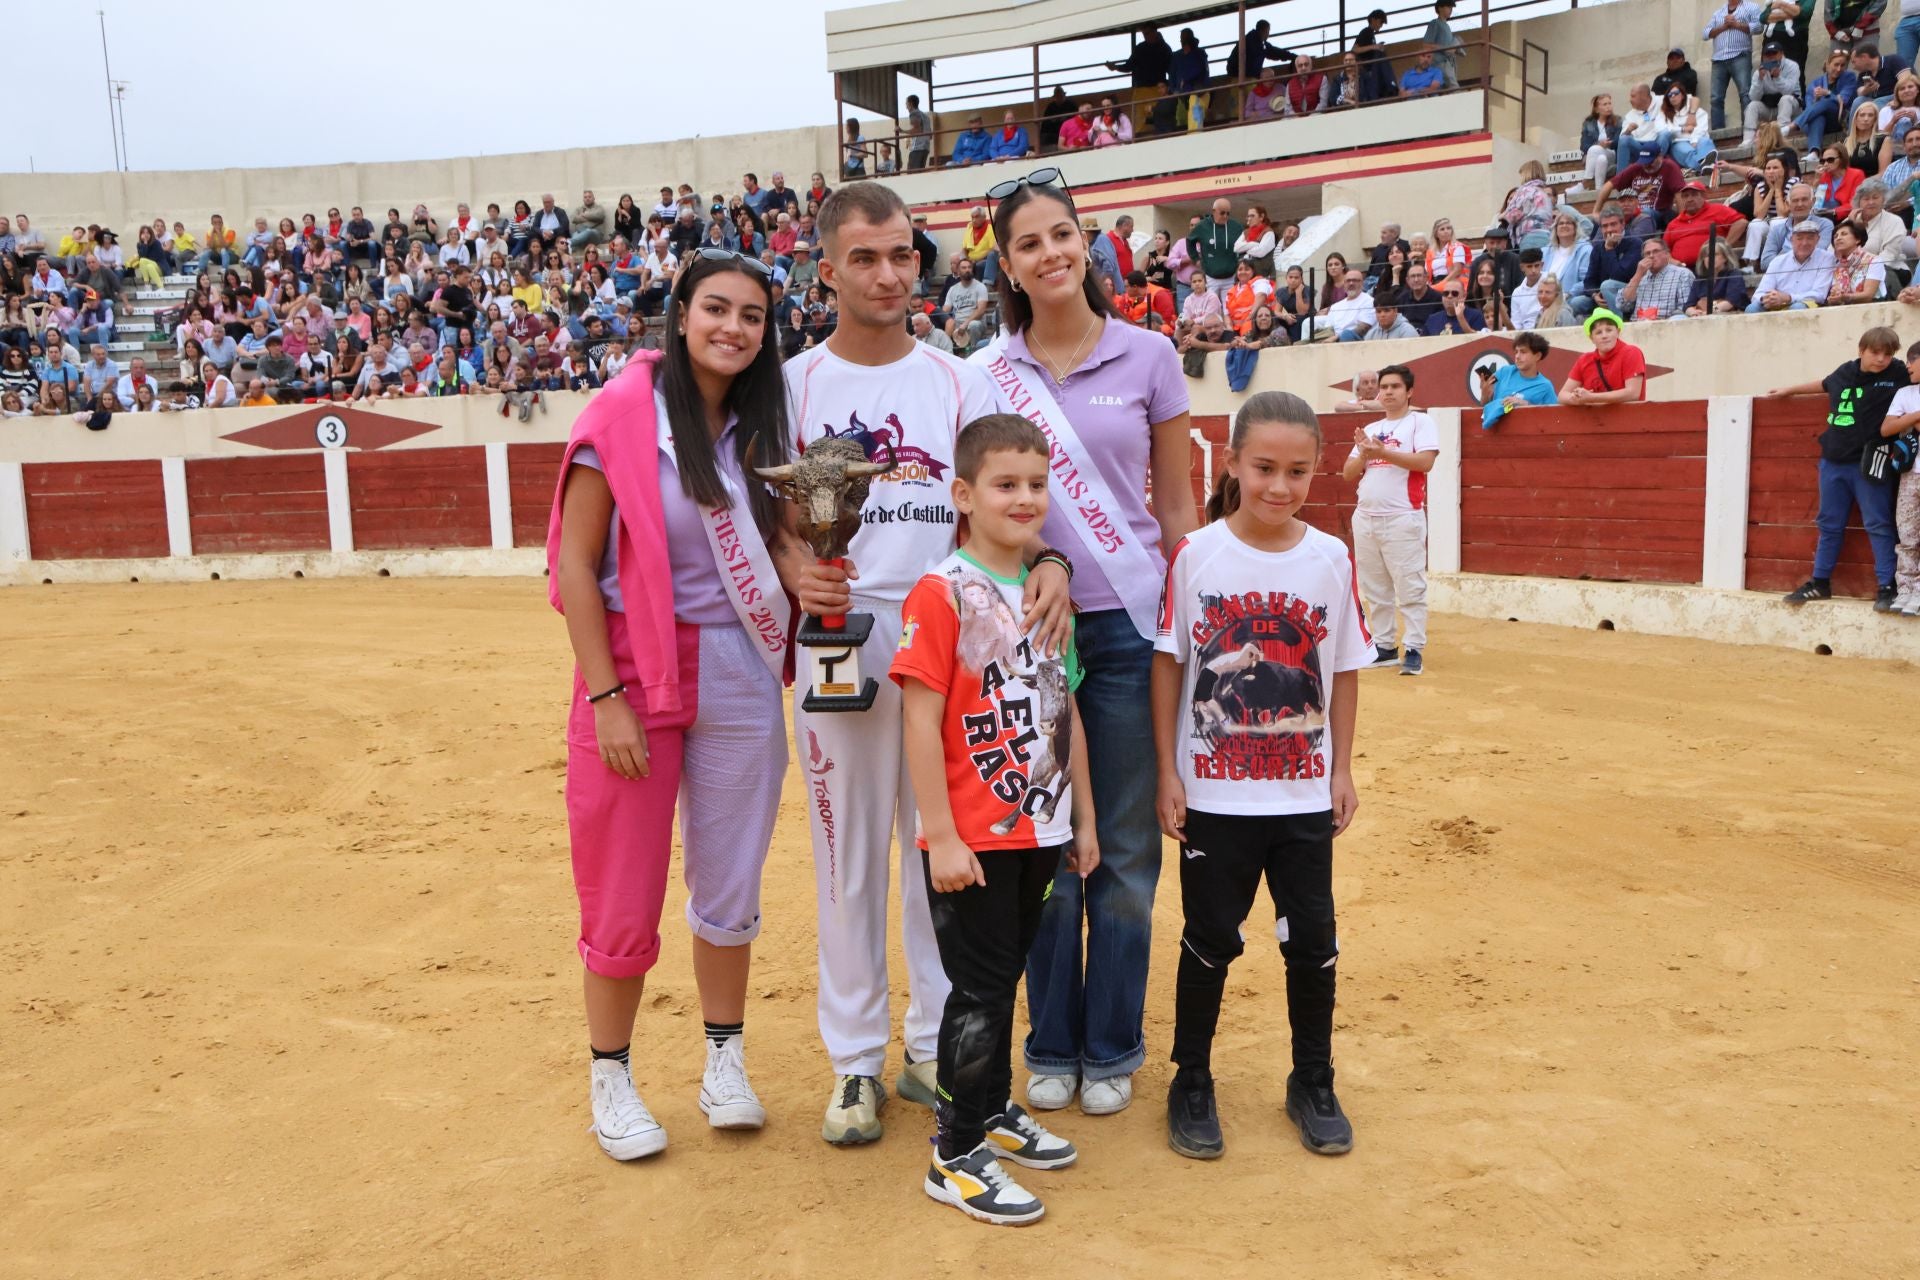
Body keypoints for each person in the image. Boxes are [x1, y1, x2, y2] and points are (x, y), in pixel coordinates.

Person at [784, 182, 1072, 1145]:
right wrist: (796, 567)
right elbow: (762, 514)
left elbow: (1006, 490)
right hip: (840, 639)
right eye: (863, 258)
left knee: (944, 859)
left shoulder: (960, 379)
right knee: (847, 858)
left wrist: (1054, 558)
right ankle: (855, 1064)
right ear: (826, 270)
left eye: (902, 255)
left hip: (955, 637)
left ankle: (934, 1050)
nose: (887, 274)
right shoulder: (793, 384)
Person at [549, 249, 798, 1163]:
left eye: (753, 317)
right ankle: (610, 1077)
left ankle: (722, 1064)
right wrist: (606, 697)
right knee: (622, 882)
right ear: (681, 315)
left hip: (738, 668)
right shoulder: (624, 411)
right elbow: (575, 563)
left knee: (729, 877)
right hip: (632, 670)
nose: (734, 328)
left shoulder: (764, 425)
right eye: (717, 309)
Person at [969, 169, 1197, 1120]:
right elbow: (980, 507)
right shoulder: (985, 372)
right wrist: (1048, 556)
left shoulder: (1150, 355)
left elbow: (1178, 505)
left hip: (1135, 628)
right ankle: (1050, 1042)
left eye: (1063, 235)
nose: (1051, 253)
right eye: (1028, 244)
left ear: (1086, 242)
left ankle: (1114, 1043)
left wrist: (1193, 620)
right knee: (1047, 846)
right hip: (1027, 629)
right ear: (1010, 267)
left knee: (1131, 849)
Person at [892, 414, 1095, 1227]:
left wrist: (1080, 818)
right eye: (1006, 485)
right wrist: (939, 833)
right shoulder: (941, 593)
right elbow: (917, 717)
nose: (1025, 499)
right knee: (976, 990)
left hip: (1039, 828)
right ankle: (956, 1149)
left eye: (1037, 485)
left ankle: (993, 1106)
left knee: (1002, 977)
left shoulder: (1049, 594)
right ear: (964, 495)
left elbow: (1064, 708)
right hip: (972, 835)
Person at [1154, 389, 1367, 1162]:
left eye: (1299, 472)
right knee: (1210, 937)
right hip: (1214, 792)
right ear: (1234, 462)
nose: (1280, 487)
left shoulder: (1331, 558)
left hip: (1303, 794)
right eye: (1265, 468)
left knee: (1313, 940)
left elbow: (1341, 669)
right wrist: (1169, 773)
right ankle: (1192, 1079)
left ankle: (1313, 1077)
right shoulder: (1198, 554)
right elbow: (1170, 666)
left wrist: (1341, 767)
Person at [1768, 326, 1907, 611]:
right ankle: (1820, 583)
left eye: (1887, 354)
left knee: (1878, 524)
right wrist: (1790, 389)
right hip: (1833, 460)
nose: (1881, 359)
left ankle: (1887, 586)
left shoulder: (1898, 374)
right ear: (1861, 350)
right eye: (1875, 352)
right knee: (1829, 524)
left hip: (1871, 459)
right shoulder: (1844, 371)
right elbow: (1824, 384)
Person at [1342, 365, 1437, 677]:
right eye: (1384, 387)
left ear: (1409, 392)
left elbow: (1425, 462)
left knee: (1410, 585)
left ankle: (1413, 648)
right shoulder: (1370, 428)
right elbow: (1348, 473)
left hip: (1402, 517)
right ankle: (1384, 647)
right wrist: (1365, 454)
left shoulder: (1419, 423)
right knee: (1375, 587)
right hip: (1366, 516)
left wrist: (1383, 451)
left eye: (1395, 387)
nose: (1388, 392)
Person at [1880, 340, 1920, 615]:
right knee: (1907, 535)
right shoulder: (1906, 393)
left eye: (1912, 360)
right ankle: (1906, 590)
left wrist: (1909, 419)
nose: (1907, 366)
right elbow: (1886, 429)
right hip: (1912, 475)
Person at [1749, 218, 1841, 309]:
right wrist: (1766, 298)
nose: (1804, 243)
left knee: (1798, 307)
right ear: (1791, 240)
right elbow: (1759, 294)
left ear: (1817, 239)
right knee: (1753, 308)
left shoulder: (1826, 258)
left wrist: (1788, 298)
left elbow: (1820, 294)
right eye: (1799, 238)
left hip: (1810, 305)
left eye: (1810, 238)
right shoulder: (1778, 261)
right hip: (1778, 304)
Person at [1561, 309, 1648, 403]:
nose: (1604, 336)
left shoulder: (1631, 352)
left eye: (1609, 330)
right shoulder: (1584, 360)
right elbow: (1562, 395)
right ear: (1591, 338)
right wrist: (1575, 398)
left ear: (1617, 332)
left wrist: (1591, 397)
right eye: (1598, 332)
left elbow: (1633, 393)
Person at [1477, 331, 1560, 429]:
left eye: (1523, 352)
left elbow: (1555, 419)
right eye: (1516, 352)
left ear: (1537, 356)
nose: (1517, 356)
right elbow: (1486, 411)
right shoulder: (1504, 372)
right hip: (1495, 435)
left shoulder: (1545, 386)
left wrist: (1526, 405)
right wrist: (1484, 395)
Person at [1705, 0, 1765, 133]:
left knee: (1745, 94)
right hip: (1718, 59)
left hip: (1740, 55)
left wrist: (1736, 25)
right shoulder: (1719, 12)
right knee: (1716, 98)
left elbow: (1759, 27)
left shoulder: (1752, 7)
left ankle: (1749, 130)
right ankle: (1717, 134)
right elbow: (1705, 33)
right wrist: (1724, 26)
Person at [1619, 237, 1698, 319]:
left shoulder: (1682, 274)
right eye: (1647, 253)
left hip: (1667, 325)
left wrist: (1659, 318)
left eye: (1656, 251)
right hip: (1639, 324)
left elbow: (1685, 308)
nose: (1651, 256)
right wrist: (1638, 275)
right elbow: (1623, 306)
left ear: (1667, 254)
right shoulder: (1640, 277)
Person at [1744, 41, 1803, 145]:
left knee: (1785, 99)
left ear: (1781, 54)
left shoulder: (1792, 66)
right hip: (1770, 107)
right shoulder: (1759, 72)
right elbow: (1753, 98)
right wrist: (1759, 80)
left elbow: (1789, 91)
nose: (1771, 57)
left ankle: (1780, 134)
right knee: (1752, 105)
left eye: (1774, 53)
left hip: (1791, 107)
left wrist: (1777, 78)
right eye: (1767, 54)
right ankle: (1748, 140)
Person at [1187, 199, 1243, 305]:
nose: (1225, 216)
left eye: (1228, 213)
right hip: (1210, 277)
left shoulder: (1236, 227)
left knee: (1229, 308)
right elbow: (1190, 241)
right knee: (1211, 309)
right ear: (1214, 211)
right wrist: (1196, 259)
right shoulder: (1202, 226)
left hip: (1230, 278)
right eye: (1222, 213)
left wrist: (1240, 262)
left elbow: (1245, 243)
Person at [1423, 0, 1466, 89]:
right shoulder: (1435, 23)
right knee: (1454, 88)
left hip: (1449, 63)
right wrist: (1446, 49)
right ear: (1440, 8)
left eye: (1451, 8)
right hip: (1440, 63)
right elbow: (1426, 45)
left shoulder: (1447, 26)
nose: (1450, 10)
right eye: (1448, 7)